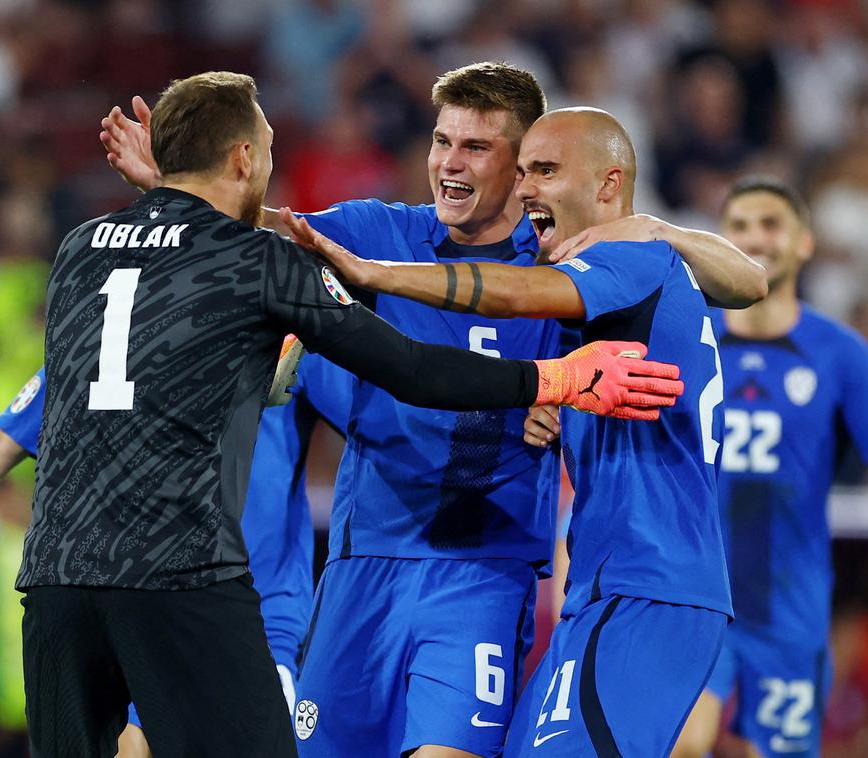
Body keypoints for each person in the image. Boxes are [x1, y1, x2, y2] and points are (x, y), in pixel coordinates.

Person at [0, 72, 676, 757]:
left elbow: (683, 316)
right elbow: (273, 233)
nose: (449, 162)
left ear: (522, 164)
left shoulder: (559, 272)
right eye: (443, 141)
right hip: (360, 570)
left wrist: (565, 405)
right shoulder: (375, 232)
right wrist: (178, 187)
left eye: (475, 147)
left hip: (481, 575)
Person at [283, 106, 761, 756]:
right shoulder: (620, 286)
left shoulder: (629, 259)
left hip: (648, 585)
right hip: (604, 590)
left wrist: (379, 274)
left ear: (607, 184)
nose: (526, 186)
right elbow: (742, 284)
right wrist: (558, 402)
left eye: (546, 169)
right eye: (524, 169)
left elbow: (508, 294)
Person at [0, 351, 351, 758]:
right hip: (140, 617)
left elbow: (382, 419)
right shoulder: (104, 340)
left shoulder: (280, 332)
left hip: (252, 621)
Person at [661, 177, 868, 758]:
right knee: (681, 741)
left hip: (788, 606)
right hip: (697, 592)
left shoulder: (839, 351)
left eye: (771, 224)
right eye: (741, 226)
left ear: (804, 243)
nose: (755, 238)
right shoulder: (688, 336)